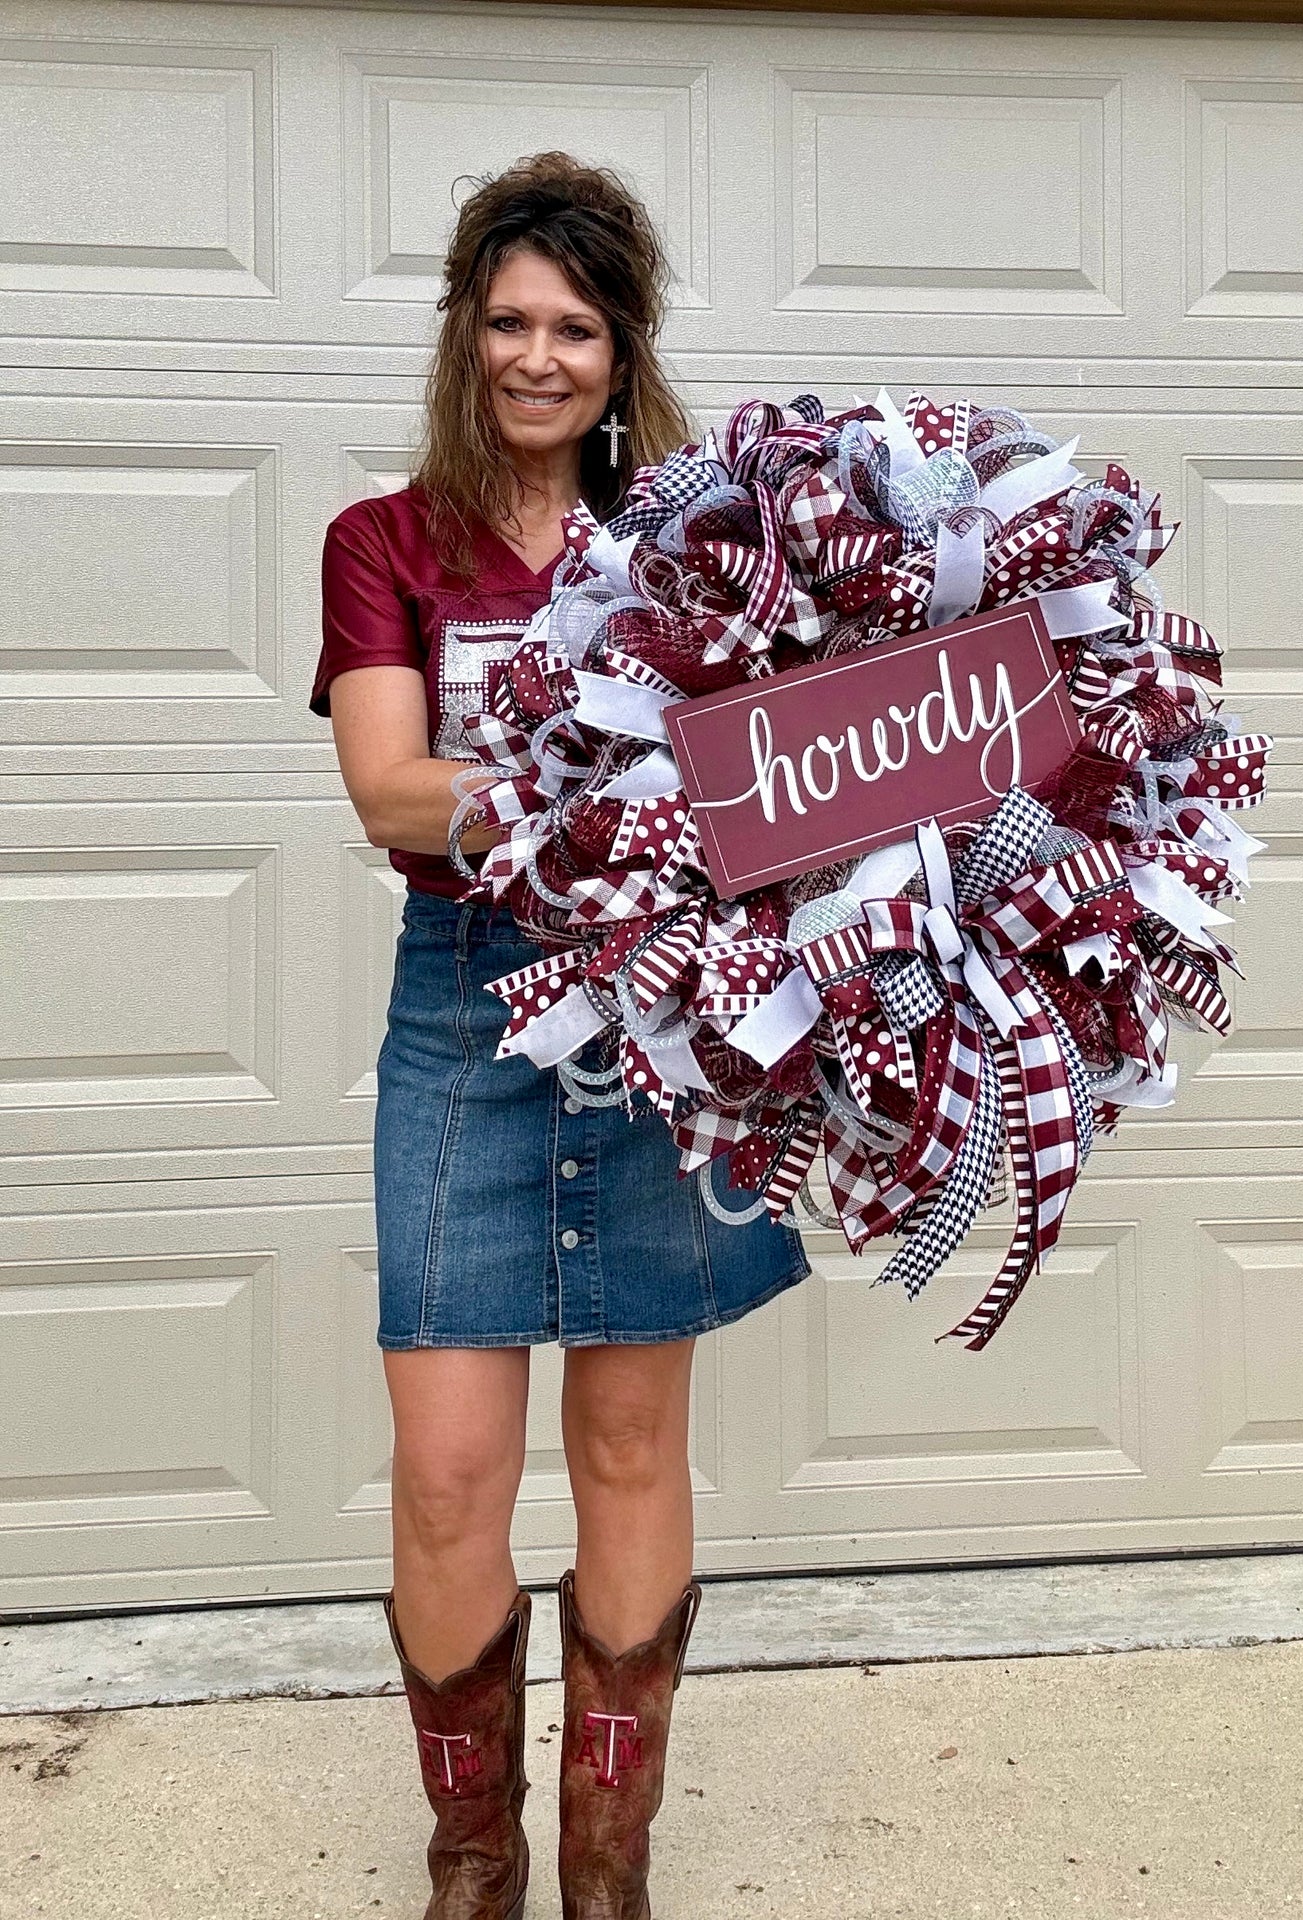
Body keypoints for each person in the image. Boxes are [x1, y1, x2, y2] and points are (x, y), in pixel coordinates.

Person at [311, 152, 809, 1920]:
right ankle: (474, 1867)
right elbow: (388, 789)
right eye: (507, 320)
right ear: (464, 336)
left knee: (627, 1448)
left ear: (623, 350)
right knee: (448, 1469)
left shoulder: (695, 545)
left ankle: (606, 1871)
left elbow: (791, 768)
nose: (537, 357)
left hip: (660, 1021)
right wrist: (640, 791)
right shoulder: (382, 544)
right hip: (464, 1017)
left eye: (574, 327)